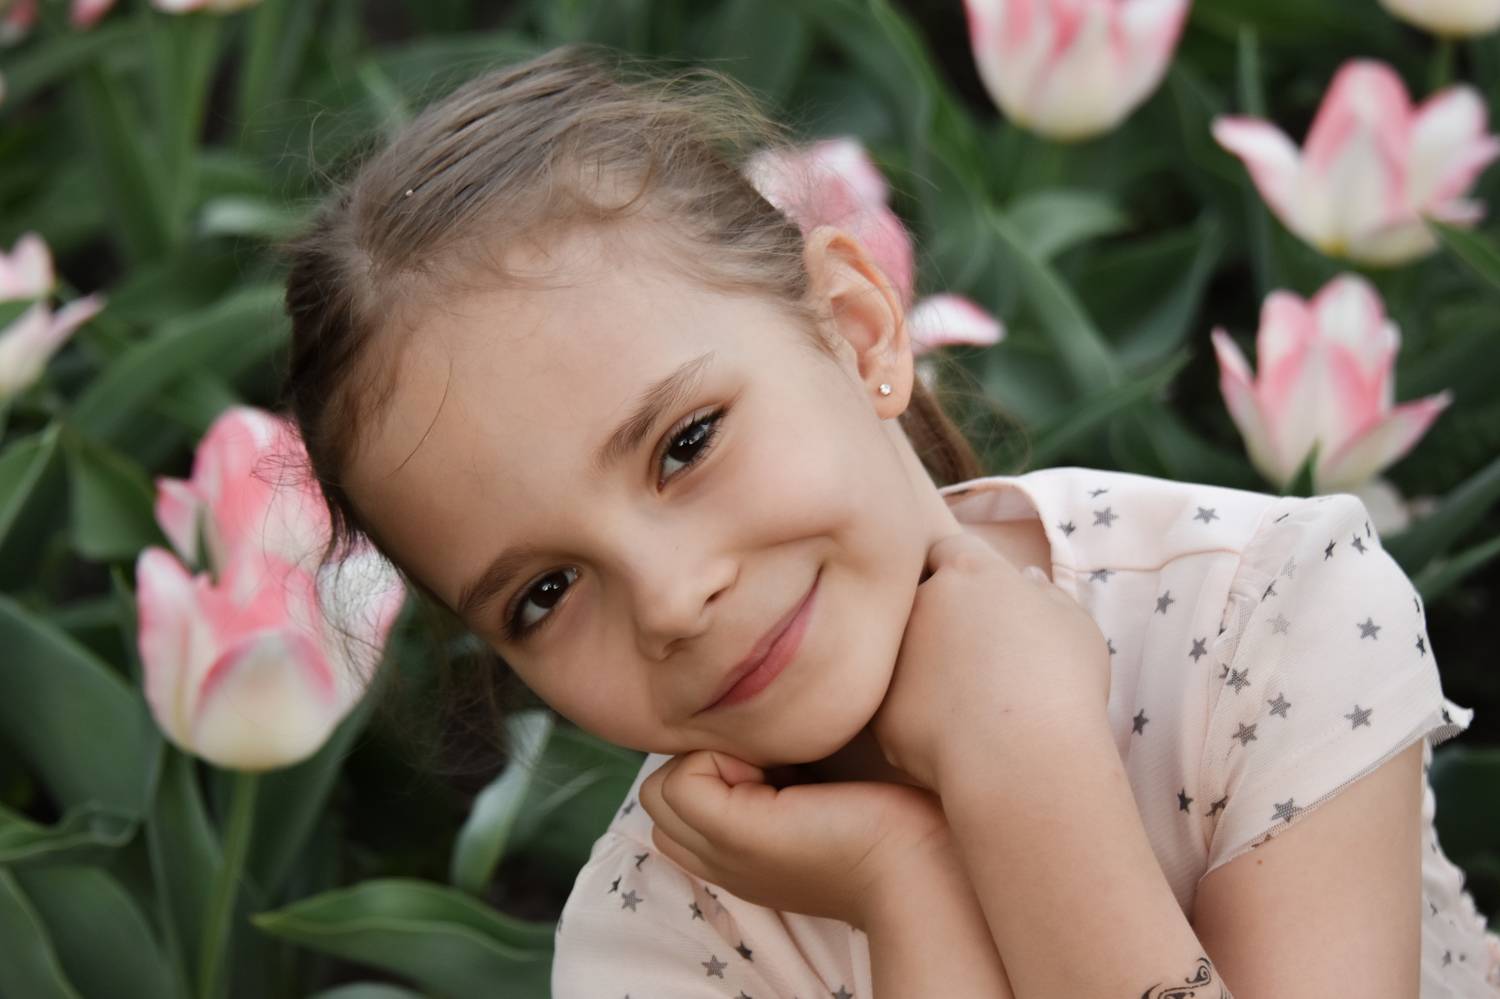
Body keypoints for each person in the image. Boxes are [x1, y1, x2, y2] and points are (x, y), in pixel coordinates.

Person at [275, 43, 1500, 997]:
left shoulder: (1257, 616)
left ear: (859, 332)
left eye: (685, 444)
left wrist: (1027, 775)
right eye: (543, 594)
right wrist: (905, 888)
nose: (671, 598)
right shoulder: (658, 943)